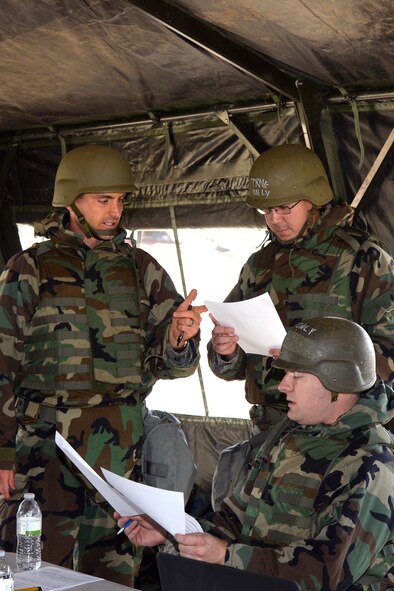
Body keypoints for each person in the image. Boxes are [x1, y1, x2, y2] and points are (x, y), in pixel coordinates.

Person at [0, 144, 206, 586]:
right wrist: (1, 452)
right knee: (32, 573)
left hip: (119, 456)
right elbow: (2, 364)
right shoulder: (30, 269)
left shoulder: (141, 269)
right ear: (72, 201)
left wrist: (178, 338)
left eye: (120, 200)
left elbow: (171, 363)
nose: (115, 212)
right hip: (44, 453)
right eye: (103, 200)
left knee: (112, 574)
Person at [116, 316, 394, 590]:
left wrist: (225, 555)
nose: (283, 385)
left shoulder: (373, 463)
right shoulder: (290, 434)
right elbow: (234, 519)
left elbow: (327, 572)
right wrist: (170, 533)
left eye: (296, 376)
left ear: (338, 383)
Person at [207, 143, 394, 431]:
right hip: (270, 428)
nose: (274, 219)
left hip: (339, 431)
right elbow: (233, 364)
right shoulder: (259, 265)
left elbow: (387, 359)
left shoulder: (362, 258)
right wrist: (225, 351)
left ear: (314, 199)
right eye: (267, 210)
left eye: (284, 207)